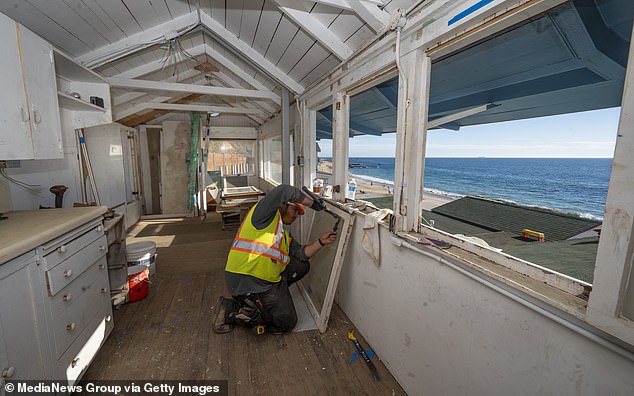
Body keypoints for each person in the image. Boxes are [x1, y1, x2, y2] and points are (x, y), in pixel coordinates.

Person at [213, 184, 337, 334]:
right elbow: (284, 191)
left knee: (302, 265)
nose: (296, 215)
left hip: (265, 282)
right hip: (246, 281)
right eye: (295, 209)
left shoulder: (283, 234)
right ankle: (233, 309)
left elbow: (302, 253)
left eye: (299, 213)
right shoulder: (263, 216)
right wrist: (313, 204)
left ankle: (267, 303)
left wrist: (321, 242)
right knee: (287, 322)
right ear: (284, 204)